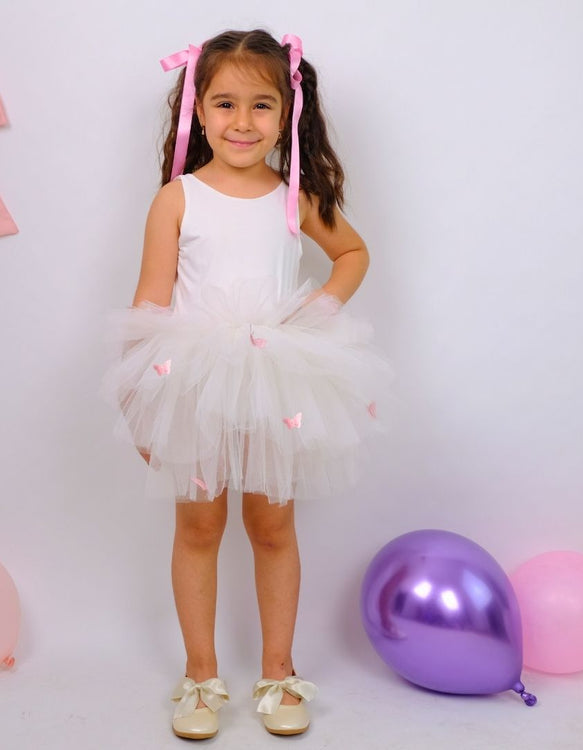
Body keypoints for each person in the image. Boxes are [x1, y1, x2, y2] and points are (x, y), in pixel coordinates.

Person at [102, 28, 390, 739]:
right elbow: (150, 301)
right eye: (225, 103)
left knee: (271, 526)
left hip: (276, 381)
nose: (241, 122)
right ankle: (200, 679)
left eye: (261, 105)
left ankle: (277, 673)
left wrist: (316, 311)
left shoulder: (294, 198)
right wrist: (141, 399)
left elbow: (351, 253)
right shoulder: (178, 198)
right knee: (198, 524)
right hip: (193, 381)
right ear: (196, 110)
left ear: (288, 113)